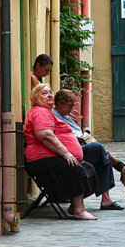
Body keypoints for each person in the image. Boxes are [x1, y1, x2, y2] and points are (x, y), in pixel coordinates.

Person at [24, 83, 98, 220]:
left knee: (88, 168)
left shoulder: (46, 112)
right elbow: (45, 135)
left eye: (50, 92)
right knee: (77, 170)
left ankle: (74, 205)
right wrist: (66, 153)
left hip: (49, 157)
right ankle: (79, 210)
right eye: (44, 93)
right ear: (35, 99)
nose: (50, 95)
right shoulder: (40, 112)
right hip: (41, 159)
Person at [53, 89, 125, 211]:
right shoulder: (53, 115)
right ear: (60, 103)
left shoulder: (65, 116)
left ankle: (106, 198)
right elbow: (56, 135)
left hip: (77, 147)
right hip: (68, 154)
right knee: (98, 150)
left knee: (101, 156)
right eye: (70, 105)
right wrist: (74, 137)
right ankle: (113, 164)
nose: (72, 109)